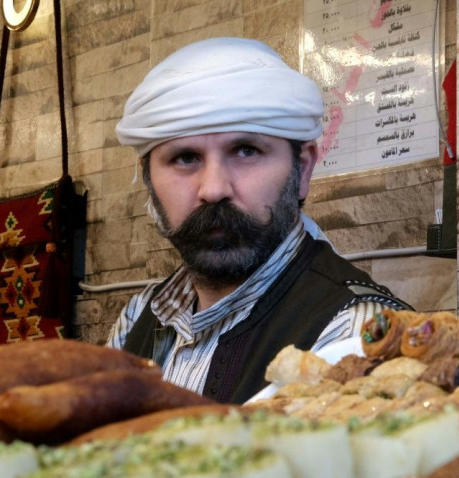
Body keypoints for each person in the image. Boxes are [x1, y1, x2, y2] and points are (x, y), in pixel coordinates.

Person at [107, 37, 411, 404]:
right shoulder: (140, 316)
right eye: (185, 158)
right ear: (148, 179)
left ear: (302, 169)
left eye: (246, 151)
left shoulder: (358, 331)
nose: (214, 189)